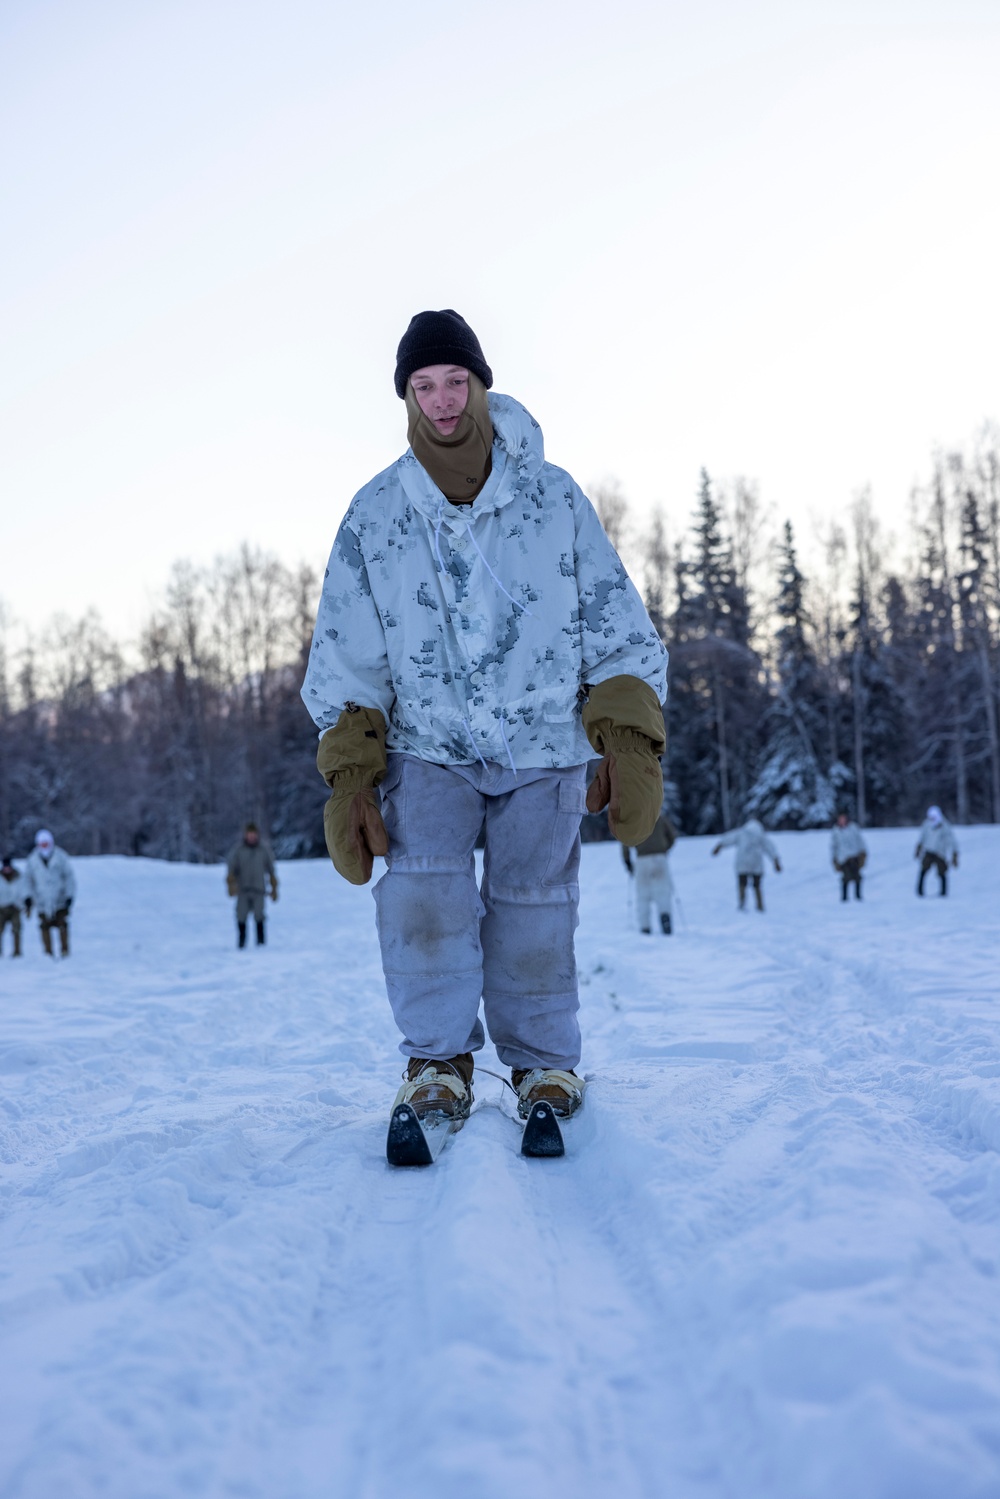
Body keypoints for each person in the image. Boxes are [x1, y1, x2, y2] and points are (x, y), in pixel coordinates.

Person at [301, 309, 667, 1130]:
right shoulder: (375, 516)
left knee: (536, 903)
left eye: (454, 381)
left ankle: (544, 1066)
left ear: (480, 384)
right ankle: (436, 1060)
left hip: (543, 743)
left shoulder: (552, 497)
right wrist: (352, 776)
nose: (440, 400)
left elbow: (611, 621)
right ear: (406, 397)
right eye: (422, 385)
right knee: (422, 899)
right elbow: (350, 653)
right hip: (425, 746)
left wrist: (631, 736)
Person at [623, 807, 678, 934]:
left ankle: (645, 926)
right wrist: (665, 849)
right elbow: (673, 837)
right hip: (660, 858)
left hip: (641, 860)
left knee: (643, 895)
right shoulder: (660, 818)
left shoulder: (633, 821)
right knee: (663, 892)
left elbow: (625, 842)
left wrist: (628, 863)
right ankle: (665, 918)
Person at [23, 829, 76, 957]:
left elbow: (69, 877)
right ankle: (47, 953)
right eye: (42, 844)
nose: (44, 846)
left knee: (62, 924)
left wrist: (69, 895)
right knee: (44, 926)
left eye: (46, 843)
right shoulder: (32, 859)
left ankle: (65, 950)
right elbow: (27, 880)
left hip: (60, 898)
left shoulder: (60, 856)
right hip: (42, 899)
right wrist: (28, 897)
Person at [226, 822, 278, 947]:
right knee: (241, 916)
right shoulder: (238, 850)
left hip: (259, 890)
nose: (251, 837)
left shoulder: (264, 850)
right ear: (245, 835)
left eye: (253, 834)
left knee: (259, 916)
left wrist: (274, 888)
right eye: (249, 834)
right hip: (243, 890)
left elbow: (271, 870)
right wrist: (231, 884)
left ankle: (261, 944)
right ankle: (241, 943)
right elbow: (231, 869)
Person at [711, 818, 781, 911]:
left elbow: (728, 839)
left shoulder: (741, 833)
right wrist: (775, 860)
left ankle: (742, 904)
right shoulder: (760, 835)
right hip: (756, 864)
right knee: (757, 885)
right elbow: (770, 847)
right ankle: (760, 905)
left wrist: (719, 846)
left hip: (742, 863)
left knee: (742, 884)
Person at [915, 805, 958, 896]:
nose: (932, 819)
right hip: (928, 851)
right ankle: (920, 891)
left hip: (940, 853)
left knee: (942, 872)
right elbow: (922, 837)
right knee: (923, 870)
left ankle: (943, 892)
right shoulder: (926, 824)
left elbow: (952, 841)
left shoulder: (945, 826)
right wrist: (918, 848)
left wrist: (954, 854)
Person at [831, 811, 867, 901]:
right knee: (845, 878)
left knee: (857, 877)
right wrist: (834, 859)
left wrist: (863, 853)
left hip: (854, 856)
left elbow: (860, 841)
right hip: (843, 858)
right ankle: (844, 897)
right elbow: (834, 846)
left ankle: (858, 896)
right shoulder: (836, 831)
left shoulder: (853, 828)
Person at [0, 854, 27, 957]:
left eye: (8, 868)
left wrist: (26, 903)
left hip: (15, 907)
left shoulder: (19, 876)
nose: (7, 870)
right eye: (5, 868)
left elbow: (24, 890)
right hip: (1, 908)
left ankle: (17, 951)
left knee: (16, 929)